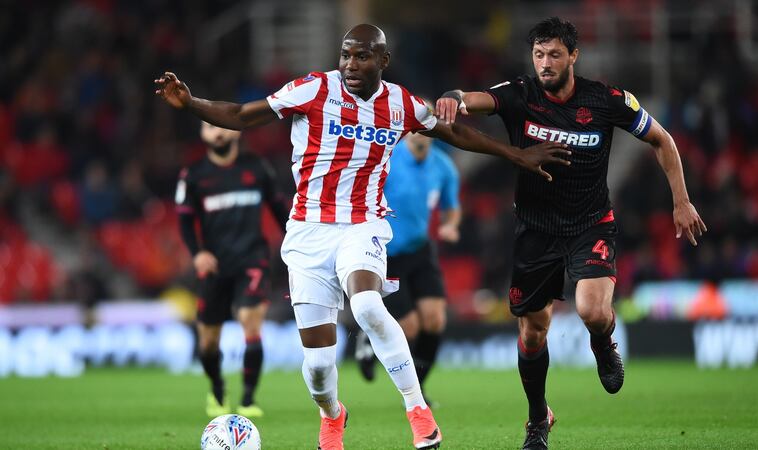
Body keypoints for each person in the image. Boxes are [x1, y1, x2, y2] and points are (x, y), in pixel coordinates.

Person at [156, 23, 570, 450]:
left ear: (383, 61)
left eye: (362, 56)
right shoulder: (314, 89)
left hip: (363, 223)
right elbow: (242, 116)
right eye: (346, 55)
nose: (351, 65)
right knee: (318, 368)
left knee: (369, 304)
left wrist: (516, 154)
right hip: (308, 231)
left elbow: (455, 133)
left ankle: (417, 410)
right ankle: (332, 415)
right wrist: (191, 103)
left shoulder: (401, 103)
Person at [436, 17, 706, 450]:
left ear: (573, 56)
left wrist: (681, 201)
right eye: (539, 54)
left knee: (593, 311)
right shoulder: (520, 94)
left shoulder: (607, 99)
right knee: (532, 333)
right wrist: (451, 98)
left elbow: (663, 140)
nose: (545, 63)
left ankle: (603, 344)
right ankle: (537, 419)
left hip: (590, 223)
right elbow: (471, 100)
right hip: (535, 229)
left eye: (554, 54)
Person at [175, 121, 288, 418]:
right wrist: (197, 253)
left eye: (222, 126)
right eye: (210, 128)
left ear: (237, 130)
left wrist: (296, 245)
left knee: (251, 320)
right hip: (215, 266)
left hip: (253, 259)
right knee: (208, 340)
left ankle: (249, 399)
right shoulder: (194, 175)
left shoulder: (258, 168)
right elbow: (184, 221)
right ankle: (217, 388)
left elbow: (280, 211)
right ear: (202, 134)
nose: (218, 132)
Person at [355, 131, 461, 407]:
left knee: (435, 320)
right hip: (385, 253)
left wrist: (450, 225)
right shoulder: (387, 157)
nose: (421, 131)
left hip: (420, 249)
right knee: (410, 327)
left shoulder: (443, 165)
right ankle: (369, 336)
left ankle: (419, 388)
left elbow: (452, 207)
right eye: (416, 125)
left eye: (427, 125)